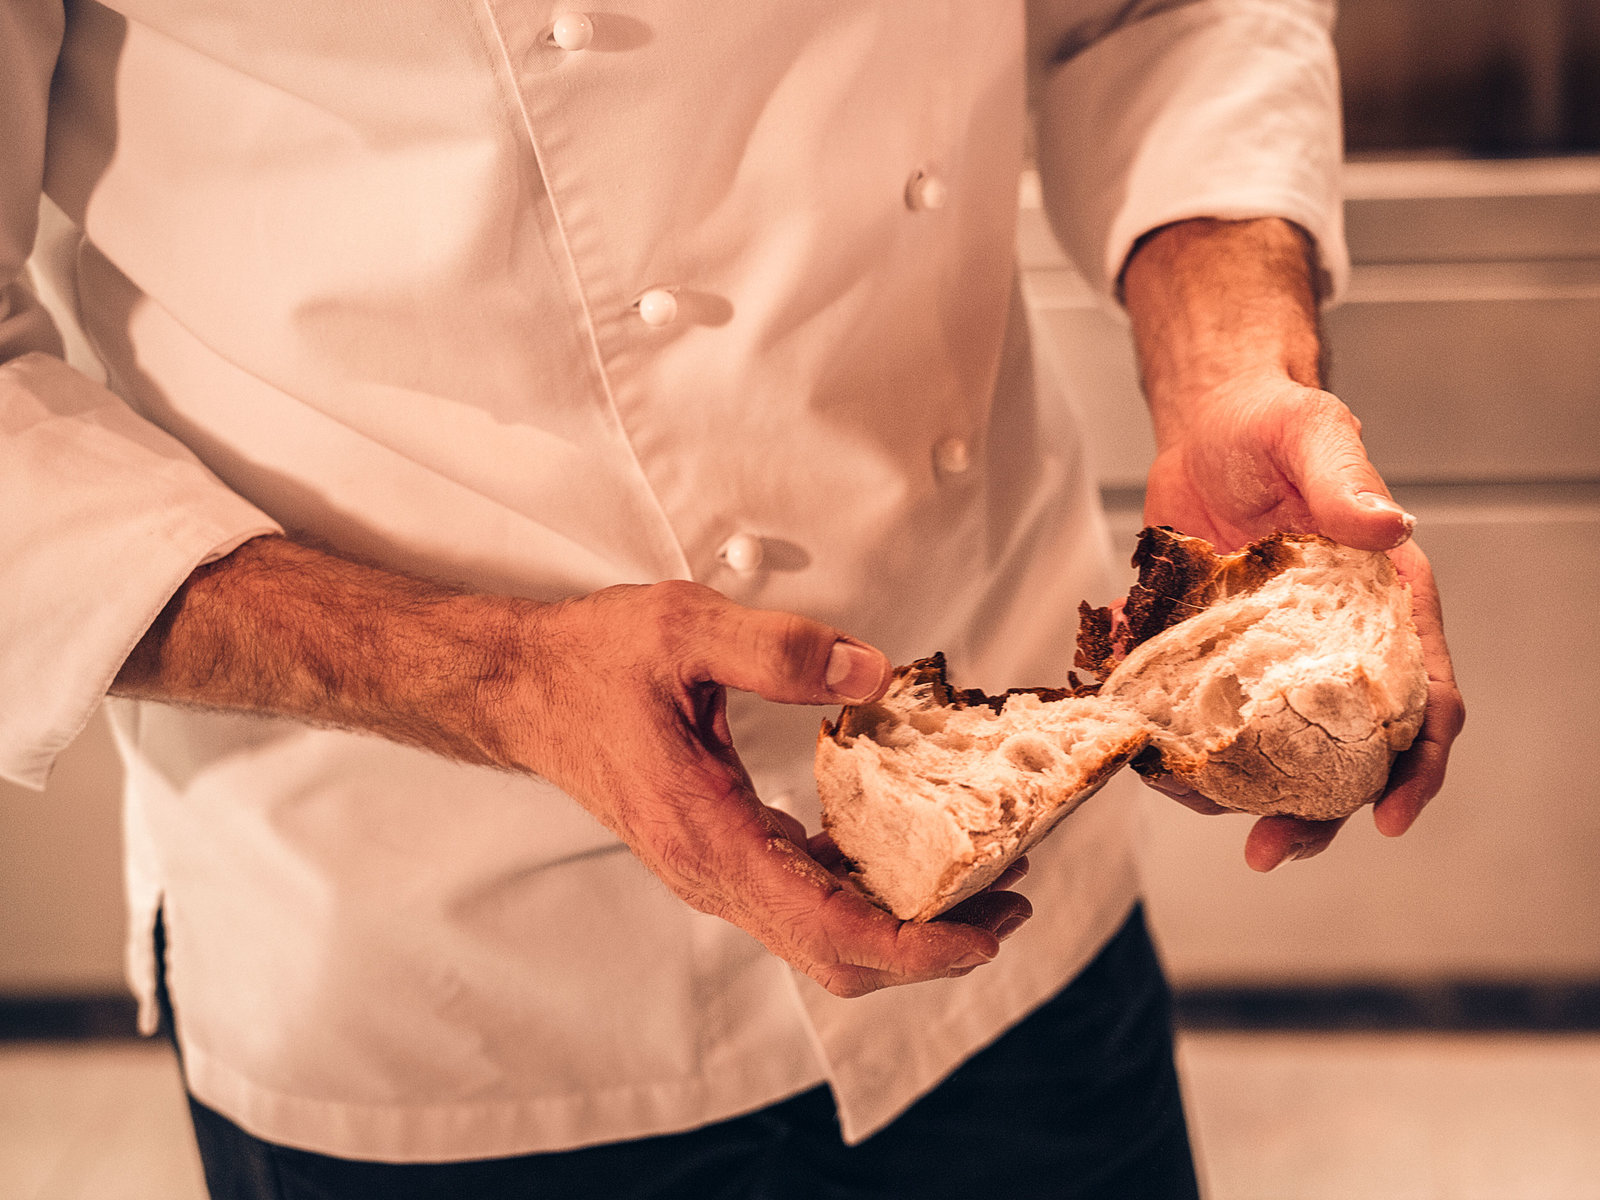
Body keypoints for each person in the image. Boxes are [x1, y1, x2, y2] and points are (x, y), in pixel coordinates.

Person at [0, 0, 1463, 1196]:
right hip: (447, 984)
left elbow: (1155, 15)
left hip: (1015, 919)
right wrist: (501, 677)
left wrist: (1229, 366)